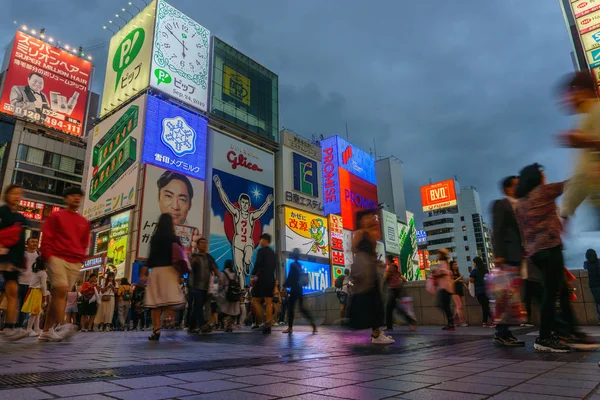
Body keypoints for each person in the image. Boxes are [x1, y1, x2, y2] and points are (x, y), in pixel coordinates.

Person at [515, 163, 598, 351]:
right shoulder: (543, 191)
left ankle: (570, 332)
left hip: (535, 253)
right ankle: (544, 338)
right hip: (550, 248)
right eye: (542, 174)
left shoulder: (520, 204)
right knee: (552, 295)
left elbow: (523, 232)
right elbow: (569, 185)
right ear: (536, 178)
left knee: (558, 292)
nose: (544, 177)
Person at [39, 187, 90, 342]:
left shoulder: (84, 222)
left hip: (74, 261)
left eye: (78, 196)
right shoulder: (56, 216)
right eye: (72, 196)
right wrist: (47, 255)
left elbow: (84, 242)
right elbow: (47, 235)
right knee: (61, 290)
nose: (76, 198)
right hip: (56, 256)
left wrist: (81, 257)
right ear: (65, 199)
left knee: (58, 295)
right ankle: (63, 325)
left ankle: (46, 331)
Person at [556, 71, 600, 224]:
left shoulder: (595, 112)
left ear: (579, 90)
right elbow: (582, 171)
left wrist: (567, 209)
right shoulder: (586, 118)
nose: (566, 100)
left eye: (568, 94)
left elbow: (582, 171)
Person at [213, 174, 274, 284]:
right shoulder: (236, 213)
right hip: (237, 242)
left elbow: (261, 211)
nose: (245, 205)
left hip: (248, 242)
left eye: (247, 203)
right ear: (240, 203)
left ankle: (247, 263)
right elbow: (226, 202)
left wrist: (268, 203)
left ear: (249, 204)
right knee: (239, 270)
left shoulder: (251, 216)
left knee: (248, 259)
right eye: (243, 202)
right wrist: (219, 187)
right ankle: (242, 289)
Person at [491, 175, 526, 346]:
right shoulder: (501, 204)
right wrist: (499, 255)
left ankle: (505, 332)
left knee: (513, 297)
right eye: (516, 185)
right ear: (508, 188)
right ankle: (502, 332)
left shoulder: (521, 205)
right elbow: (496, 230)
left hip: (522, 256)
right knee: (506, 296)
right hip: (508, 257)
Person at [349, 209, 393, 344]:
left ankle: (377, 333)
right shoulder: (360, 233)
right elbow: (354, 249)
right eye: (367, 217)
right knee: (372, 300)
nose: (370, 219)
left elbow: (373, 251)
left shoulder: (371, 233)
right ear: (361, 220)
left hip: (370, 269)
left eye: (371, 217)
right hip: (364, 269)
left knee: (376, 301)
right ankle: (376, 334)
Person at [141, 213, 187, 341]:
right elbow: (179, 258)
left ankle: (156, 329)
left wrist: (144, 272)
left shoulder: (156, 238)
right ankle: (169, 317)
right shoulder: (175, 239)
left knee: (155, 303)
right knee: (170, 300)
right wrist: (180, 275)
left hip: (156, 272)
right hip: (171, 272)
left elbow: (151, 257)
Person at [0, 185, 28, 341]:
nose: (17, 196)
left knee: (13, 292)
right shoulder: (2, 213)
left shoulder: (21, 218)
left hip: (12, 260)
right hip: (2, 256)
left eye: (20, 194)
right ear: (7, 195)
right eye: (14, 193)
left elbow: (20, 242)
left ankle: (10, 326)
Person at [187, 237, 220, 333]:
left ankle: (191, 327)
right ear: (197, 245)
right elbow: (188, 267)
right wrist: (192, 260)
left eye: (205, 243)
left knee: (198, 306)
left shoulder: (209, 257)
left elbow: (215, 268)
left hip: (205, 287)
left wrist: (220, 277)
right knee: (198, 305)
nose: (204, 244)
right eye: (201, 243)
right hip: (194, 286)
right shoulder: (193, 256)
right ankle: (202, 325)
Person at [283, 249, 317, 334]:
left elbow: (290, 277)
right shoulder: (299, 265)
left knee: (291, 308)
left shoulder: (292, 265)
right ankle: (312, 322)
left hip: (294, 289)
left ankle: (290, 328)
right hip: (300, 289)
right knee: (302, 308)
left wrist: (284, 285)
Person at [251, 233, 276, 334]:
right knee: (269, 302)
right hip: (271, 279)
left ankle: (262, 322)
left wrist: (253, 277)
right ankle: (268, 325)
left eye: (261, 239)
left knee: (255, 301)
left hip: (262, 278)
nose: (259, 241)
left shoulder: (261, 251)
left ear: (265, 240)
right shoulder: (273, 252)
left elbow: (257, 264)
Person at [383, 255, 415, 331]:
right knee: (394, 308)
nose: (386, 261)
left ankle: (411, 321)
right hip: (397, 289)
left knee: (389, 309)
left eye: (386, 260)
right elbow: (403, 278)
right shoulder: (395, 267)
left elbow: (385, 277)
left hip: (393, 289)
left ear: (388, 260)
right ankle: (390, 326)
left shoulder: (391, 267)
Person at [21, 256, 47, 337]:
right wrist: (45, 295)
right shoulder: (43, 273)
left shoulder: (36, 272)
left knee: (37, 312)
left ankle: (36, 329)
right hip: (37, 292)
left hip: (33, 291)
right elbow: (43, 286)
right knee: (35, 312)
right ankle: (29, 329)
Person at [19, 237, 39, 327]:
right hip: (20, 282)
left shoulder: (38, 255)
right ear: (27, 243)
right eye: (32, 242)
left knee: (27, 306)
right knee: (18, 305)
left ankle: (23, 325)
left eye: (36, 242)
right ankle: (16, 324)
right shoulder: (22, 254)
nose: (34, 243)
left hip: (32, 284)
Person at [434, 249, 455, 331]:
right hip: (445, 287)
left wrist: (436, 274)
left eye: (438, 254)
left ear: (441, 255)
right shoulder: (445, 263)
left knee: (444, 305)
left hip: (445, 288)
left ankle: (451, 322)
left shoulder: (443, 263)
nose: (437, 256)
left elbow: (444, 273)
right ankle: (450, 322)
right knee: (445, 306)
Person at [469, 257, 492, 328]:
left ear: (475, 262)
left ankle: (490, 321)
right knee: (486, 306)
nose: (473, 264)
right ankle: (485, 322)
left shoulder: (475, 271)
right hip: (486, 291)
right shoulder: (485, 270)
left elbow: (471, 280)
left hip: (479, 291)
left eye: (473, 262)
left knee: (485, 306)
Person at [219, 260, 241, 332]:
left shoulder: (223, 273)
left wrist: (219, 292)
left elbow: (221, 285)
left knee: (225, 311)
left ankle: (225, 324)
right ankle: (230, 325)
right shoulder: (235, 274)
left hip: (226, 294)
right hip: (234, 294)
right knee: (233, 312)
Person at [584, 249, 600, 323]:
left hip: (592, 285)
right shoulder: (598, 262)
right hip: (599, 284)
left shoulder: (586, 263)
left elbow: (584, 268)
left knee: (598, 302)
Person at [450, 261, 467, 327]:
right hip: (454, 290)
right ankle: (462, 321)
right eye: (454, 264)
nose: (456, 265)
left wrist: (463, 283)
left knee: (460, 307)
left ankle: (454, 320)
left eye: (456, 264)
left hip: (460, 289)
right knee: (459, 306)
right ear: (451, 266)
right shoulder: (450, 273)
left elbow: (460, 280)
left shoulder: (458, 272)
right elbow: (451, 282)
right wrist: (459, 279)